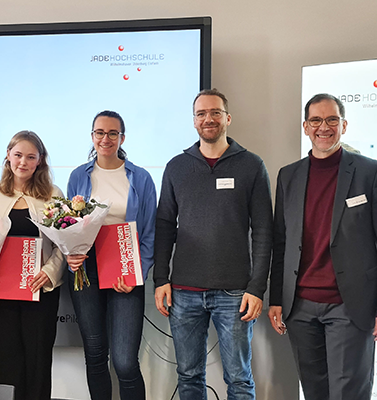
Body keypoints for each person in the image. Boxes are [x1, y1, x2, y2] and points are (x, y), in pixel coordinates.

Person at [154, 89, 273, 400]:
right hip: (183, 292)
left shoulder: (251, 165)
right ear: (194, 121)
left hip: (235, 293)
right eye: (201, 114)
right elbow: (165, 226)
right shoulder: (176, 167)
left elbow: (263, 230)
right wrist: (161, 280)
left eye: (215, 112)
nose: (209, 119)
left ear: (227, 118)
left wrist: (256, 287)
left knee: (239, 378)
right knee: (189, 376)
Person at [268, 93, 377, 400]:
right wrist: (276, 297)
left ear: (344, 124)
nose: (323, 127)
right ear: (305, 127)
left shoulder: (369, 172)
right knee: (315, 393)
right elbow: (281, 240)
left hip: (350, 305)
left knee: (349, 393)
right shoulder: (289, 175)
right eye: (316, 120)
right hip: (300, 306)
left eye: (331, 120)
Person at [66, 110, 156, 400]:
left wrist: (135, 273)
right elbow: (67, 225)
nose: (106, 139)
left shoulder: (140, 178)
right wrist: (70, 254)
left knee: (125, 361)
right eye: (100, 133)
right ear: (92, 137)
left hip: (125, 270)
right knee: (94, 354)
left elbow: (150, 233)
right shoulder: (78, 175)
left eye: (112, 133)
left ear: (122, 137)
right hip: (86, 269)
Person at [0, 130, 64, 400]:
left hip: (41, 291)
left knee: (37, 361)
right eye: (18, 155)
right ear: (8, 157)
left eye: (30, 157)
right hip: (0, 292)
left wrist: (49, 272)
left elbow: (65, 242)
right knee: (4, 359)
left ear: (40, 161)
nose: (23, 162)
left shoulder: (53, 195)